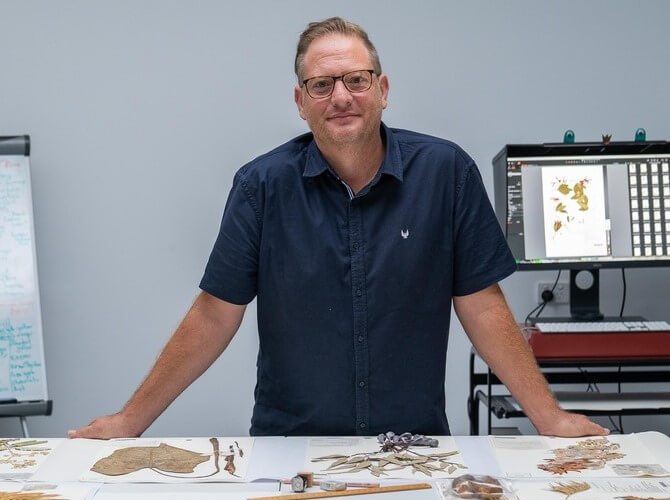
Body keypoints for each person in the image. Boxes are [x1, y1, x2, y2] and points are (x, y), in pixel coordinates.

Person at [70, 17, 608, 439]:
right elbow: (215, 313)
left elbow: (483, 304)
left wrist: (550, 418)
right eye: (322, 84)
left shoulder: (446, 173)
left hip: (412, 446)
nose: (342, 97)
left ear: (383, 89)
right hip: (288, 447)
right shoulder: (261, 186)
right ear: (301, 102)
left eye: (356, 80)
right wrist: (130, 420)